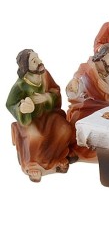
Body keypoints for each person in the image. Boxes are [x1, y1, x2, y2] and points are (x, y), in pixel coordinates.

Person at [6, 49, 74, 183]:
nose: (39, 61)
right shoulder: (20, 86)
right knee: (35, 136)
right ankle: (32, 163)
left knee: (64, 129)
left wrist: (46, 97)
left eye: (38, 58)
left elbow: (55, 90)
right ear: (26, 67)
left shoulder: (45, 75)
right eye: (34, 61)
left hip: (47, 115)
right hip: (30, 120)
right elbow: (10, 104)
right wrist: (22, 108)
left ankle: (55, 157)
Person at [66, 43, 109, 161]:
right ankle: (75, 149)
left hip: (105, 107)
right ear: (101, 57)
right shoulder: (87, 69)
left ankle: (101, 148)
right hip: (85, 106)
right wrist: (74, 87)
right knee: (78, 120)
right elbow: (75, 89)